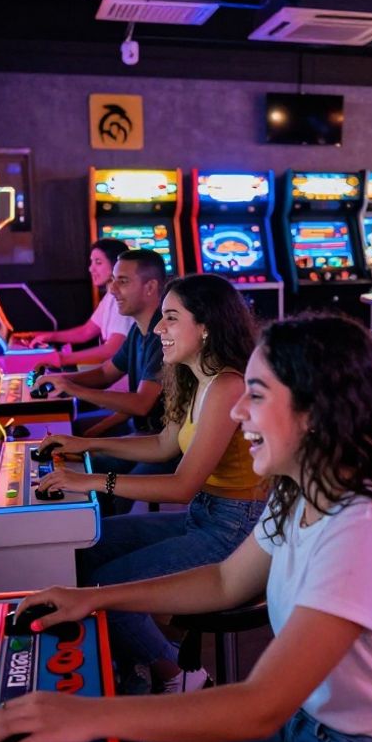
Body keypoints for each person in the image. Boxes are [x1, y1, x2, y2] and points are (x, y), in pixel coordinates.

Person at [0, 314, 372, 742]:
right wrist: (93, 598)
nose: (239, 410)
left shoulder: (363, 528)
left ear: (316, 414)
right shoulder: (299, 487)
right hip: (309, 718)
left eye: (256, 395)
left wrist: (87, 715)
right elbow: (225, 581)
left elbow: (259, 705)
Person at [35, 274, 265, 694]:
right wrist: (83, 443)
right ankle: (134, 661)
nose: (159, 328)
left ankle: (180, 677)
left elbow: (181, 485)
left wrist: (89, 480)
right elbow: (163, 444)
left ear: (207, 326)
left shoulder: (227, 385)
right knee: (84, 552)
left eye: (171, 318)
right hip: (205, 515)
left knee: (110, 590)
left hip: (236, 529)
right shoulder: (195, 377)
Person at [33, 249, 166, 445]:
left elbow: (142, 404)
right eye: (113, 280)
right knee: (58, 433)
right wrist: (59, 380)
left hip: (159, 442)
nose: (112, 289)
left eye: (122, 281)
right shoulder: (138, 331)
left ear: (150, 287)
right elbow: (105, 373)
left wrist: (72, 388)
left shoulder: (163, 336)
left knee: (69, 456)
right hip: (140, 430)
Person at [18, 239, 134, 370]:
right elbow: (86, 331)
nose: (91, 268)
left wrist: (61, 359)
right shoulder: (110, 296)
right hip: (112, 372)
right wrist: (48, 336)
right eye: (92, 262)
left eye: (98, 262)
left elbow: (112, 350)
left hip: (123, 379)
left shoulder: (123, 298)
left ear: (116, 266)